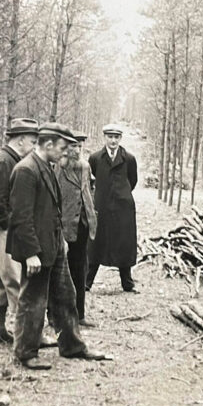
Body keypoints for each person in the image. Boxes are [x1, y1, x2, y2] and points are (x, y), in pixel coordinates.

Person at [7, 122, 106, 370]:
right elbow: (21, 216)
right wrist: (31, 253)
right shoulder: (26, 170)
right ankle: (25, 352)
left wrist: (60, 239)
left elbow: (52, 209)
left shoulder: (47, 166)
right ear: (48, 144)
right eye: (62, 147)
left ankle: (72, 345)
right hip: (36, 250)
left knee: (65, 296)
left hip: (53, 244)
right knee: (33, 301)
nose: (65, 152)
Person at [0, 118, 38, 343]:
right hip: (4, 230)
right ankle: (24, 337)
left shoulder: (14, 159)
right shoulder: (3, 161)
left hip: (10, 229)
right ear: (21, 140)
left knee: (2, 278)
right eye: (33, 142)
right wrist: (13, 227)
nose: (34, 147)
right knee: (16, 281)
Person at [86, 123, 138, 293]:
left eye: (116, 137)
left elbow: (132, 180)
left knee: (124, 243)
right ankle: (87, 282)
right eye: (110, 137)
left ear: (120, 139)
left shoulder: (129, 159)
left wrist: (122, 195)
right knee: (96, 243)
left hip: (123, 208)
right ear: (105, 138)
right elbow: (91, 180)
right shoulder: (95, 158)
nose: (113, 141)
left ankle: (127, 283)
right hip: (101, 207)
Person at [55, 131, 97, 327]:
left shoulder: (85, 166)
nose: (77, 150)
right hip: (64, 226)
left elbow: (88, 191)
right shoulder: (59, 168)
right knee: (60, 272)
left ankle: (79, 315)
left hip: (83, 224)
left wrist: (91, 214)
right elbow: (54, 199)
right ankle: (56, 315)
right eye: (73, 146)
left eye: (80, 146)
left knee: (80, 269)